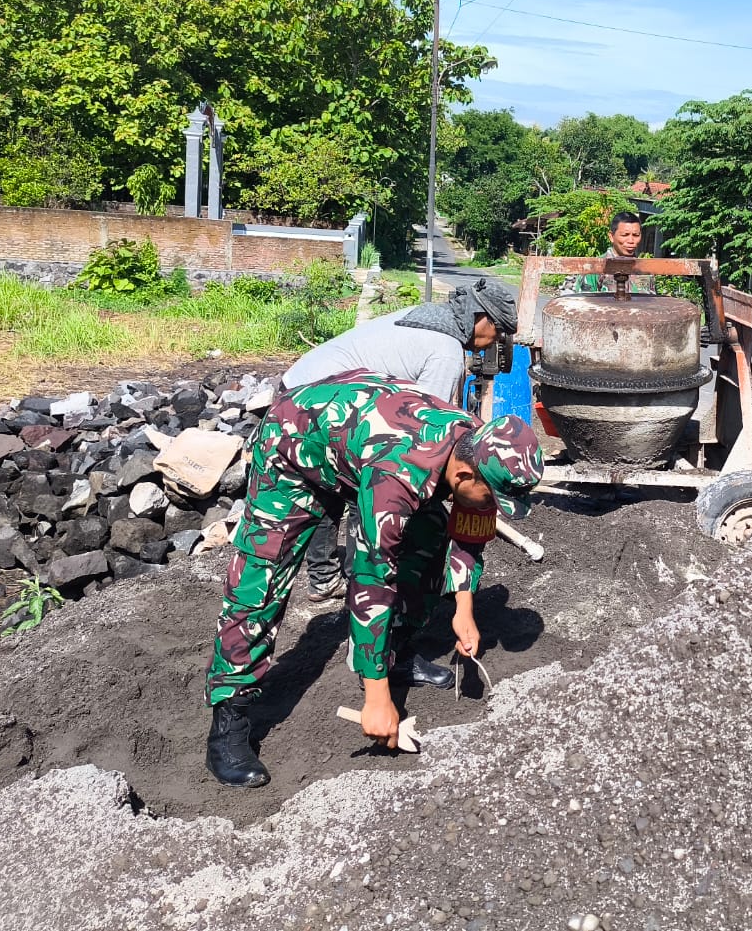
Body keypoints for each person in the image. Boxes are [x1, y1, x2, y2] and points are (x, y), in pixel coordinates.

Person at [204, 370, 543, 787]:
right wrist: (378, 699)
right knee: (261, 579)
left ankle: (395, 652)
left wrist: (464, 609)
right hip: (293, 444)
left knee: (428, 537)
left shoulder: (475, 446)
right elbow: (371, 580)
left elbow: (469, 532)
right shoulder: (396, 478)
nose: (492, 506)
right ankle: (229, 718)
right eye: (493, 498)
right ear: (465, 476)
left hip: (356, 445)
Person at [282, 278, 518, 602]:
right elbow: (426, 436)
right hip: (319, 403)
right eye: (499, 332)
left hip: (300, 390)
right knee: (361, 490)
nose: (495, 342)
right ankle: (360, 581)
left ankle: (325, 579)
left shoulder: (427, 317)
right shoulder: (446, 353)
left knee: (325, 485)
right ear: (482, 318)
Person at [570, 210, 657, 294]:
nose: (631, 240)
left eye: (636, 235)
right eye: (625, 235)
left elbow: (651, 301)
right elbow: (583, 303)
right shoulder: (594, 268)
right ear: (611, 236)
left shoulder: (644, 271)